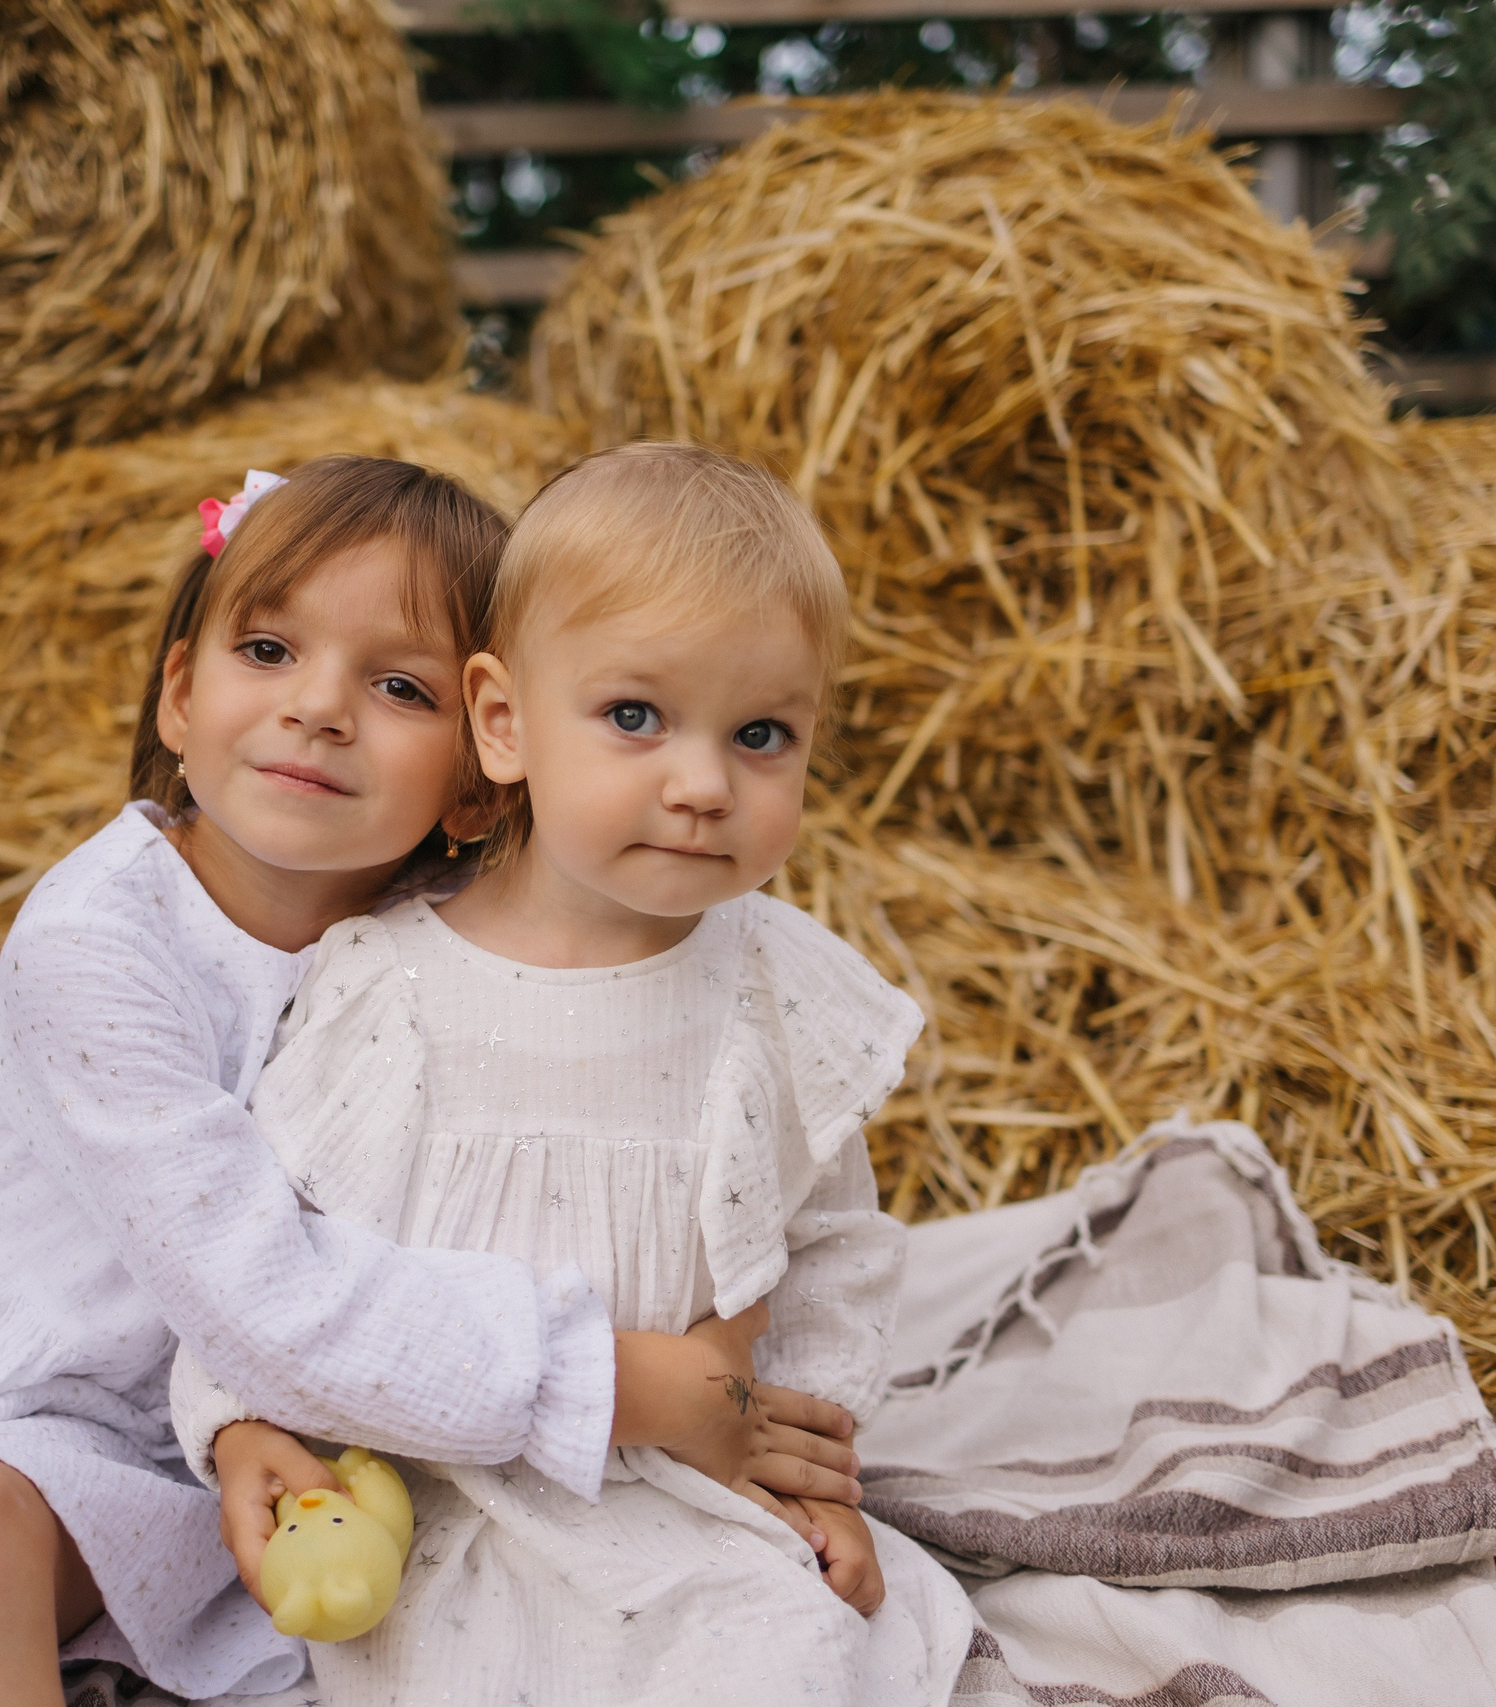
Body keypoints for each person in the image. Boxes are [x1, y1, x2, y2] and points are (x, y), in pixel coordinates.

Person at [0, 455, 856, 1707]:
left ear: (488, 768)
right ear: (180, 693)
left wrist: (250, 1422)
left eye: (399, 684)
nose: (318, 708)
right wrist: (608, 1375)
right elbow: (266, 1285)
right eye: (270, 648)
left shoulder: (432, 961)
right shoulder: (96, 938)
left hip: (155, 1432)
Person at [178, 444, 976, 1707]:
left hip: (684, 1477)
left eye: (762, 735)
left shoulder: (773, 981)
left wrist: (808, 1468)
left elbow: (828, 1240)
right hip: (430, 1487)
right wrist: (237, 1424)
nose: (703, 784)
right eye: (635, 718)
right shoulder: (390, 986)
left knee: (792, 1655)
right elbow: (263, 1249)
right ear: (502, 723)